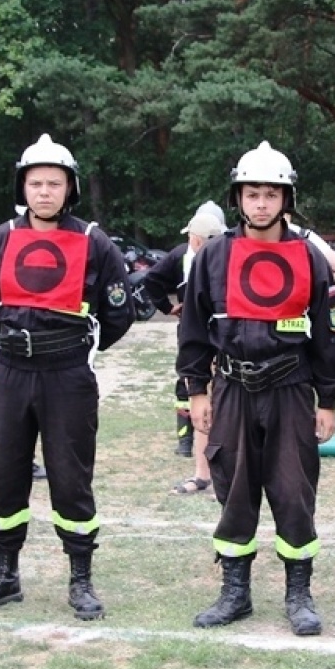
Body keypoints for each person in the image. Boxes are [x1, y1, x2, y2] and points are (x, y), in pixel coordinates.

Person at [0, 134, 134, 621]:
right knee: (5, 473)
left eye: (53, 183)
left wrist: (75, 351)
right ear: (23, 186)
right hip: (11, 372)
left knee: (71, 475)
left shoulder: (93, 241)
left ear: (69, 188)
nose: (44, 192)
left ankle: (80, 579)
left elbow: (118, 312)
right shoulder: (0, 238)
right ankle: (4, 574)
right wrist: (8, 346)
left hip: (67, 375)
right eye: (35, 183)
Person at [177, 142, 335, 635]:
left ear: (286, 199)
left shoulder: (308, 256)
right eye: (252, 194)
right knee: (234, 489)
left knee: (294, 491)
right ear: (238, 198)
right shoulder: (215, 255)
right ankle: (236, 593)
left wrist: (328, 398)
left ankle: (299, 594)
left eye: (271, 194)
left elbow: (328, 331)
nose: (261, 203)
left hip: (290, 389)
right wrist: (197, 390)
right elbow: (193, 328)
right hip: (232, 388)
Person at [138, 200, 226, 490]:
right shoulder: (184, 256)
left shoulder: (227, 256)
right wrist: (169, 307)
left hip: (221, 337)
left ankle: (217, 473)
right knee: (197, 391)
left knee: (219, 398)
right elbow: (152, 279)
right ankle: (200, 468)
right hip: (198, 335)